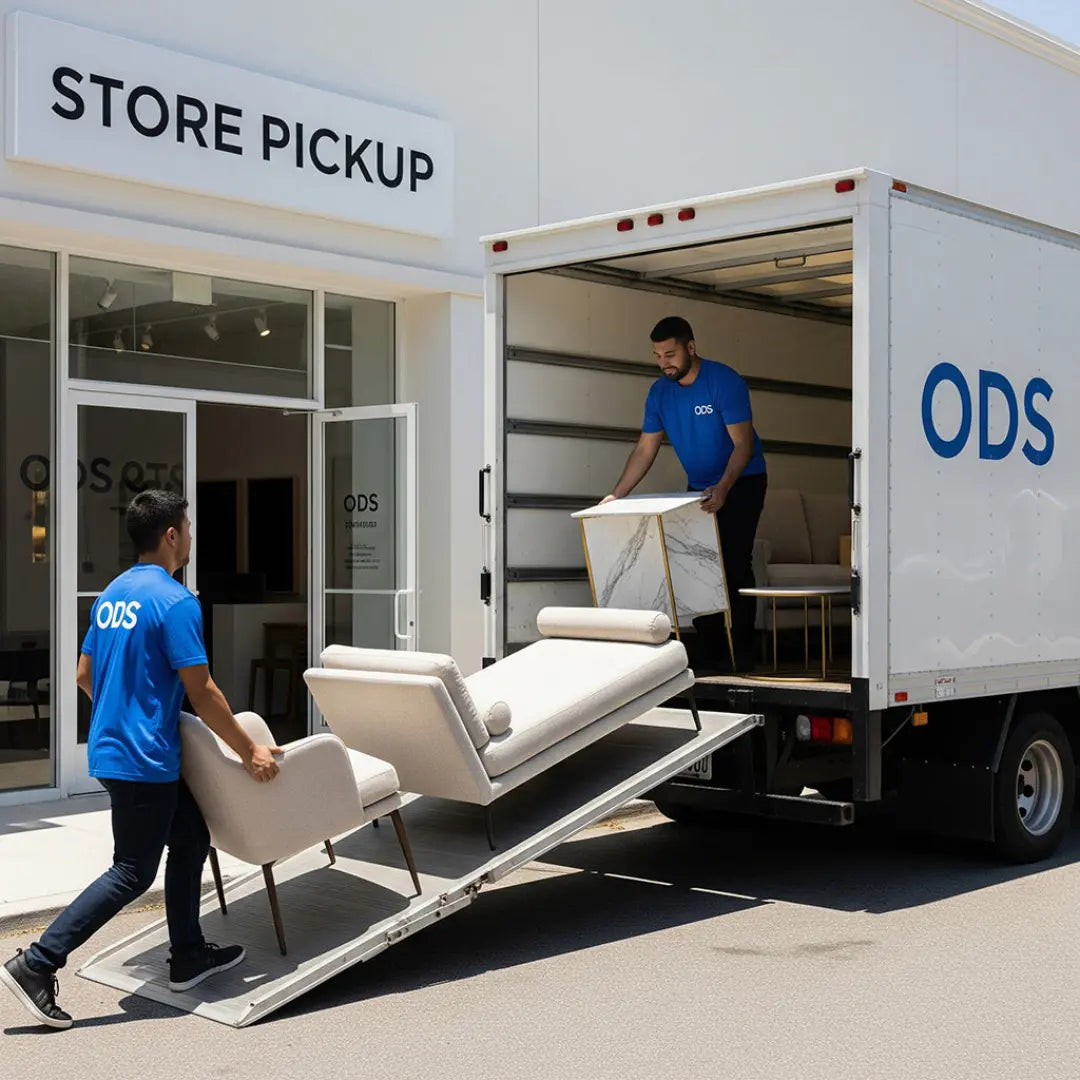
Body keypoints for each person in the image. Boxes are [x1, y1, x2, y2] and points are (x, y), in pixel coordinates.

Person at [1, 489, 282, 1029]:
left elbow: (85, 676)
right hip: (145, 758)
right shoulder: (176, 601)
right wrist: (250, 751)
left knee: (192, 836)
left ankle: (189, 955)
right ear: (172, 535)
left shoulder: (112, 595)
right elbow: (200, 691)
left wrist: (122, 713)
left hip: (114, 750)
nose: (192, 538)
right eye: (188, 528)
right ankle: (37, 964)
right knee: (132, 872)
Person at [602, 315, 767, 671]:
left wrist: (723, 489)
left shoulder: (724, 382)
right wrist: (617, 495)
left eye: (671, 354)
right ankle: (710, 653)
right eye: (658, 356)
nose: (665, 363)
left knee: (734, 562)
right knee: (695, 562)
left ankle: (742, 653)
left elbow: (743, 445)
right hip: (698, 487)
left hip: (742, 481)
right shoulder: (659, 393)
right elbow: (645, 449)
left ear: (691, 348)